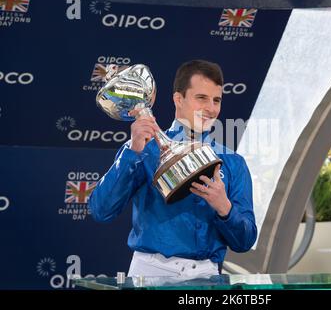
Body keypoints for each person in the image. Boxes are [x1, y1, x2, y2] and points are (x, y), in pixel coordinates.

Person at [88, 60, 257, 279]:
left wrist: (224, 207)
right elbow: (101, 210)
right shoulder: (143, 149)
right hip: (150, 273)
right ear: (179, 99)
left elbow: (245, 241)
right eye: (201, 98)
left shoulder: (233, 162)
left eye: (216, 100)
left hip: (207, 277)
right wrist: (132, 153)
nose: (211, 108)